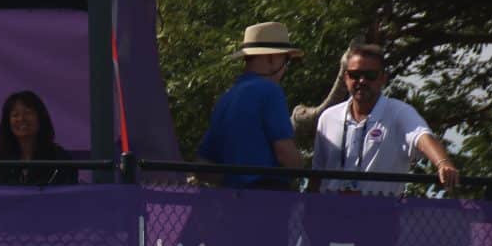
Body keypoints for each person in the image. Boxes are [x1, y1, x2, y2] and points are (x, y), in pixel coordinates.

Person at [309, 38, 459, 195]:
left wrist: (443, 163)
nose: (361, 80)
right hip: (331, 213)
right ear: (346, 77)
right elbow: (317, 173)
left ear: (383, 78)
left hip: (382, 214)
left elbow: (422, 136)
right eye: (355, 74)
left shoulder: (399, 112)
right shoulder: (328, 117)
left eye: (370, 75)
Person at [196, 21, 306, 189]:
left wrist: (233, 183)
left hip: (230, 204)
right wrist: (305, 172)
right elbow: (284, 152)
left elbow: (203, 166)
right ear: (272, 58)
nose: (286, 68)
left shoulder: (226, 98)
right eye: (286, 60)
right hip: (268, 199)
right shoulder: (270, 91)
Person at [0, 91, 79, 187]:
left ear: (40, 118)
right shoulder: (2, 161)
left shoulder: (59, 158)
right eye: (15, 115)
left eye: (28, 112)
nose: (21, 119)